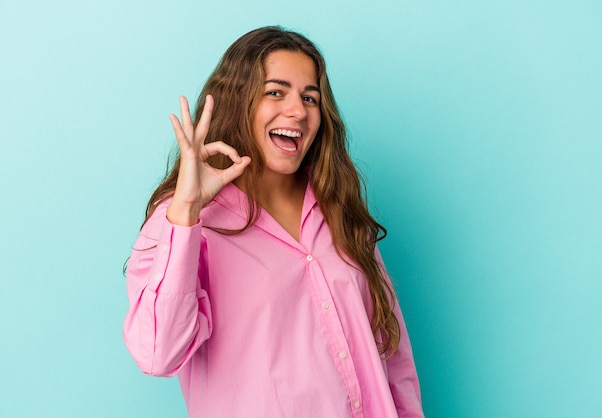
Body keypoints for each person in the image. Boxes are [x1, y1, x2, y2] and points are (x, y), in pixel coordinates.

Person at [123, 26, 425, 418]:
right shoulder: (184, 221)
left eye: (310, 97)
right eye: (276, 92)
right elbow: (158, 354)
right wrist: (185, 212)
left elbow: (392, 352)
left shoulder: (339, 209)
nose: (298, 110)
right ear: (239, 102)